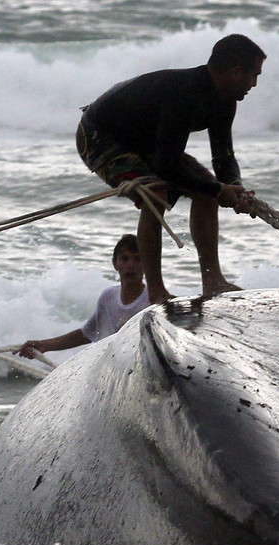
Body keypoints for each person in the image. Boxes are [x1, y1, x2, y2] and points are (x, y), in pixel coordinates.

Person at [77, 33, 266, 303]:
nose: (255, 84)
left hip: (144, 140)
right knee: (157, 194)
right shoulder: (185, 94)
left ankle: (213, 281)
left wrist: (234, 186)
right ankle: (156, 292)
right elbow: (166, 166)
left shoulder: (225, 101)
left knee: (208, 188)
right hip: (99, 136)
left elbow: (223, 156)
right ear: (236, 72)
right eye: (253, 76)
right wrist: (219, 189)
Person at [17, 234, 150, 358]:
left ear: (146, 264)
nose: (131, 265)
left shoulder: (152, 301)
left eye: (137, 259)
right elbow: (87, 333)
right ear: (115, 264)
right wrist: (44, 345)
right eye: (124, 259)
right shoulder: (108, 297)